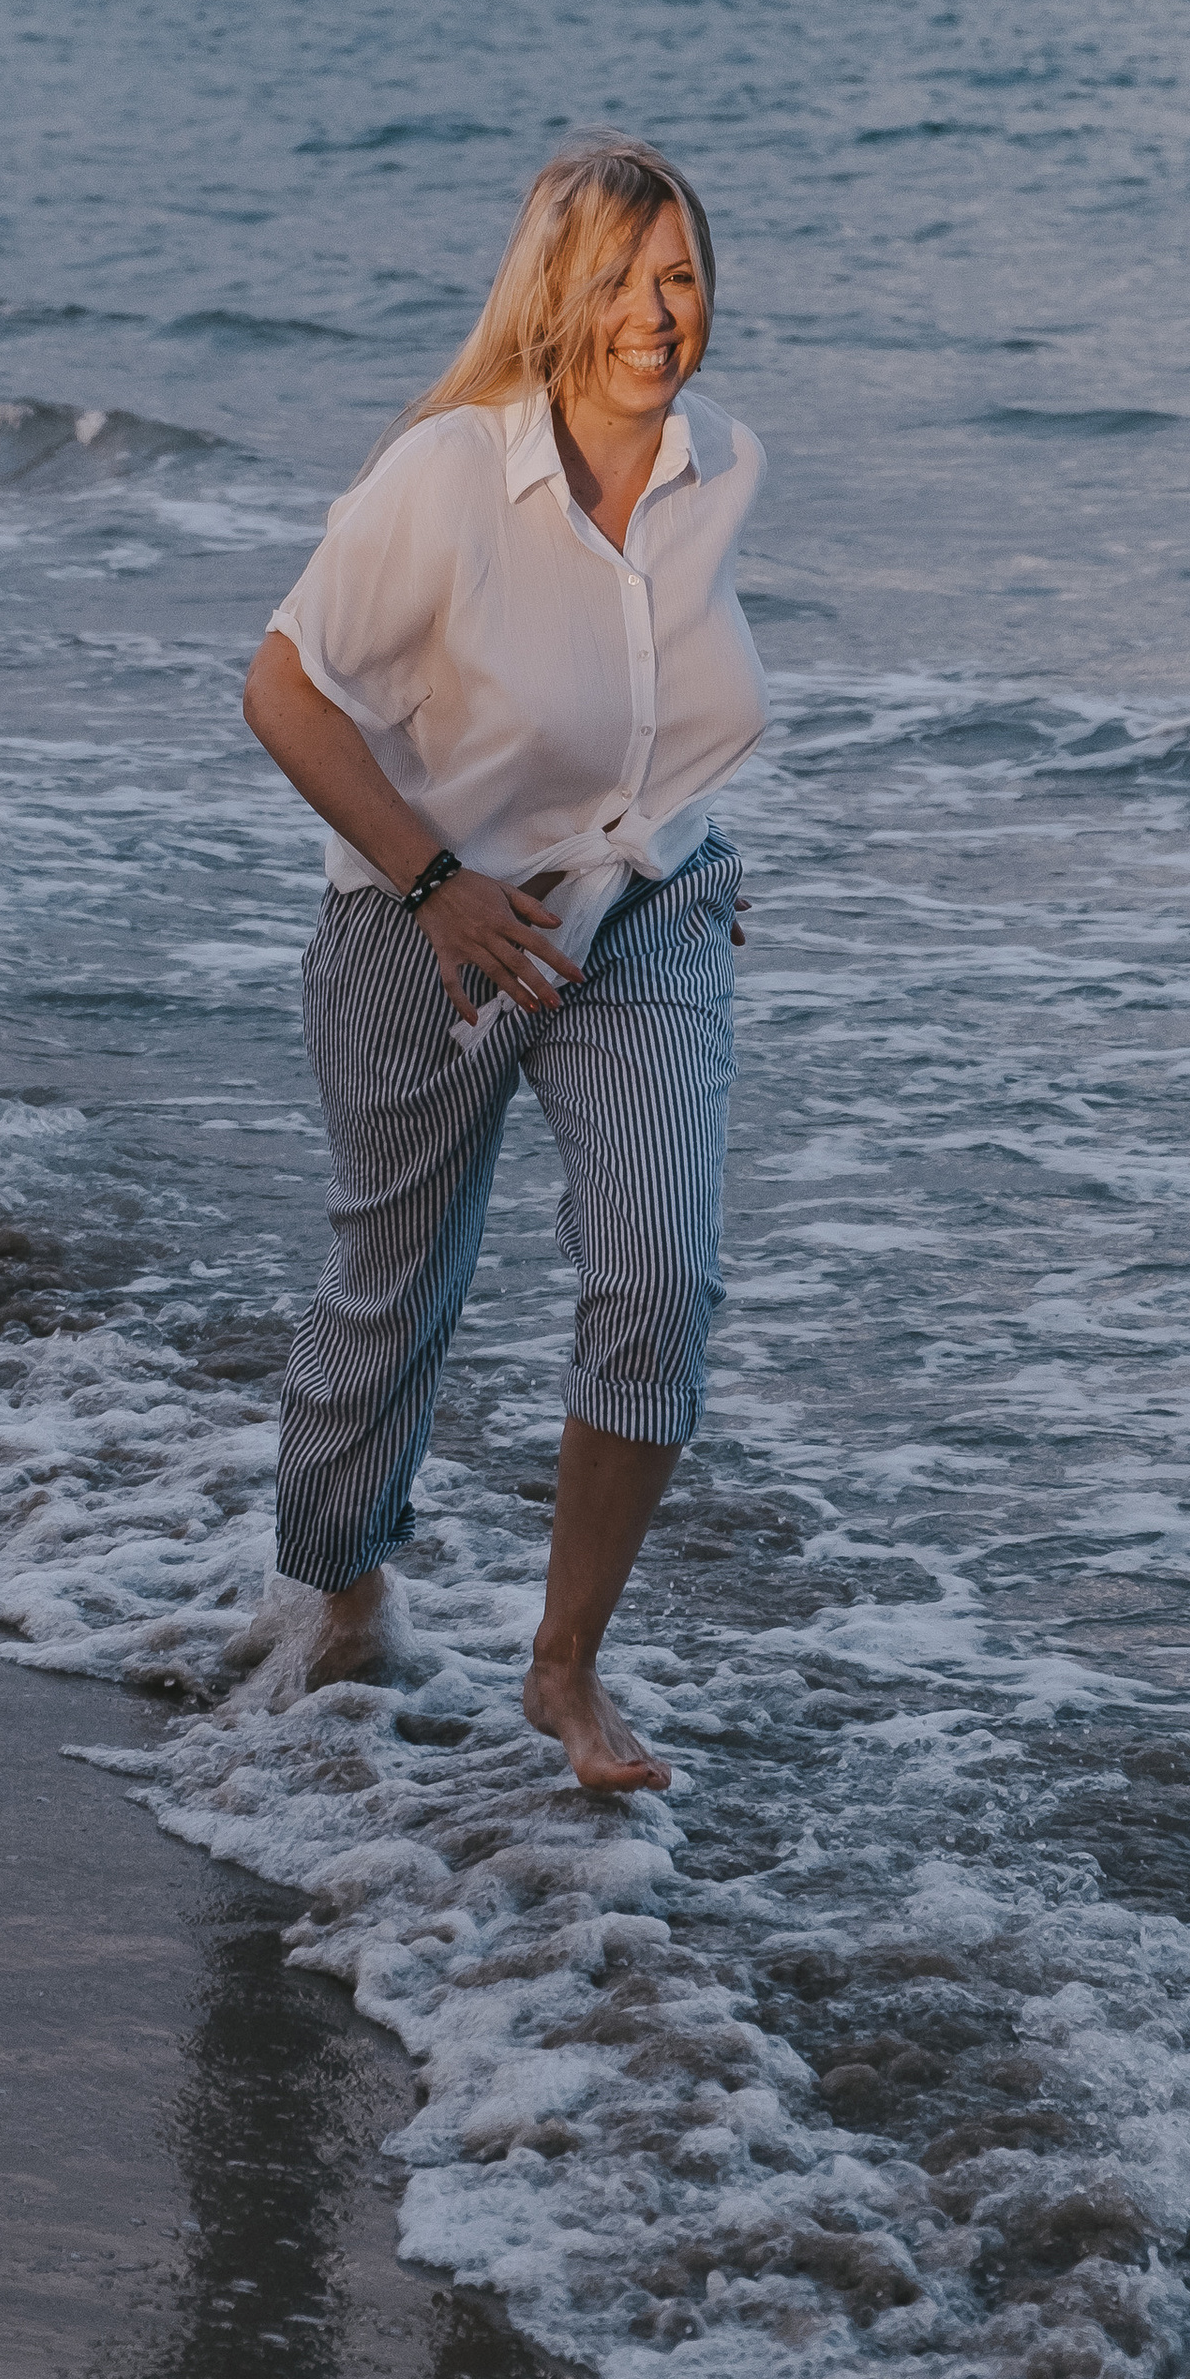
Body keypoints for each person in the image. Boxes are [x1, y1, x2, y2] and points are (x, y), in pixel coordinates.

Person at [239, 142, 766, 1796]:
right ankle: (340, 1591)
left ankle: (566, 1667)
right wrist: (435, 883)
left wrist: (687, 846)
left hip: (644, 925)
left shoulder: (725, 463)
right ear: (552, 296)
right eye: (616, 279)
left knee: (660, 1276)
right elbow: (282, 692)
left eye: (677, 274)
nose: (653, 314)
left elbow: (667, 698)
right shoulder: (445, 482)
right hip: (432, 936)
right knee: (389, 1308)